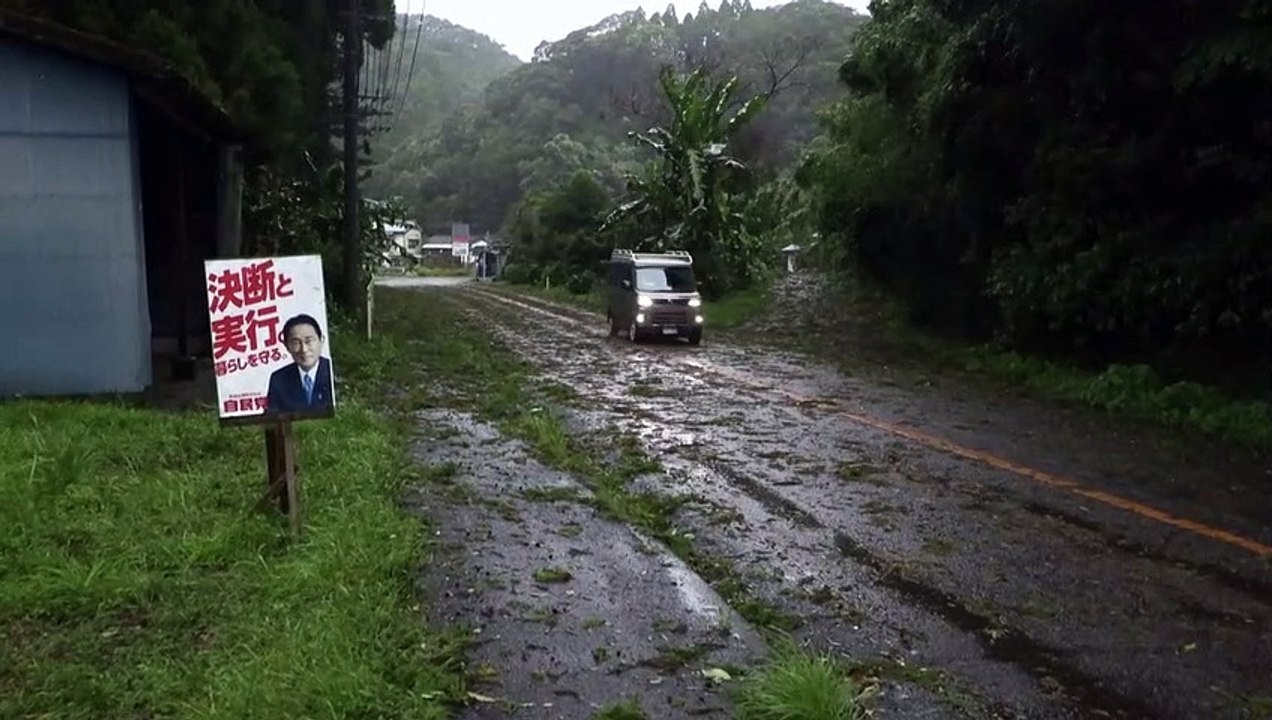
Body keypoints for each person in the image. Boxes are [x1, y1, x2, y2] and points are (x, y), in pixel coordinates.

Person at [265, 313, 335, 414]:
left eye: (309, 341)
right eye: (296, 343)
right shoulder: (279, 378)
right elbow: (272, 419)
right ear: (286, 346)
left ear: (321, 340)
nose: (304, 349)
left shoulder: (332, 370)